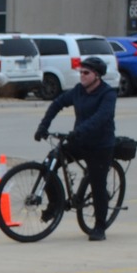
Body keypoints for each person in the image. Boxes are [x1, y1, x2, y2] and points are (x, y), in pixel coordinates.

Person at [35, 57, 117, 240]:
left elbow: (101, 118)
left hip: (100, 145)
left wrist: (79, 130)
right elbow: (57, 104)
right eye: (80, 72)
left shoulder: (108, 94)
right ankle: (54, 204)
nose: (82, 76)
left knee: (97, 184)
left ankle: (99, 227)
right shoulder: (78, 91)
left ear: (97, 75)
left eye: (86, 73)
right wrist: (43, 126)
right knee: (49, 162)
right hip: (79, 141)